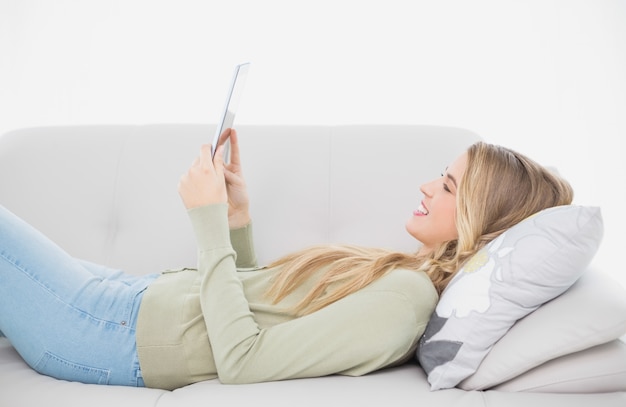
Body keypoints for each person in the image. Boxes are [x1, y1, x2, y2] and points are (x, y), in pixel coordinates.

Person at [0, 130, 573, 390]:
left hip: (106, 332)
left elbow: (244, 359)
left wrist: (205, 223)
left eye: (447, 186)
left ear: (475, 218)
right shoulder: (404, 274)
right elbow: (265, 307)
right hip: (127, 300)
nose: (426, 185)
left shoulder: (407, 301)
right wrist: (236, 218)